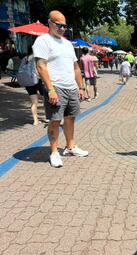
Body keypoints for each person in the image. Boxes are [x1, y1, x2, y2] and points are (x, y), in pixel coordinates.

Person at [33, 10, 88, 168]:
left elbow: (75, 67)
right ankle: (54, 152)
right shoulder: (43, 41)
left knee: (71, 118)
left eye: (65, 26)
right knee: (55, 120)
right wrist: (50, 89)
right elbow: (41, 66)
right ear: (49, 23)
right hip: (56, 87)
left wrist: (81, 87)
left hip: (71, 87)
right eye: (59, 25)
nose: (62, 28)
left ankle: (70, 147)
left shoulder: (67, 44)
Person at [21, 46, 48, 125]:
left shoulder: (24, 58)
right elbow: (41, 69)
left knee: (34, 102)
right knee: (45, 99)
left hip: (28, 81)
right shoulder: (37, 58)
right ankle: (47, 117)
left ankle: (35, 121)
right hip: (38, 81)